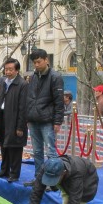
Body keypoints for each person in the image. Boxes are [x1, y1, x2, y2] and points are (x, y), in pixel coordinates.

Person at [26, 48, 64, 184]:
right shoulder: (33, 76)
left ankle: (53, 181)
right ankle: (39, 179)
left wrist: (57, 121)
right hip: (33, 119)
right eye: (34, 63)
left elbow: (59, 101)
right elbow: (29, 98)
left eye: (39, 62)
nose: (36, 65)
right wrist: (28, 117)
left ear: (46, 60)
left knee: (51, 152)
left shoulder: (55, 77)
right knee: (37, 152)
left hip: (47, 120)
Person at [0, 58, 28, 182]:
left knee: (15, 148)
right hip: (3, 117)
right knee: (4, 145)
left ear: (17, 70)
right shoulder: (2, 82)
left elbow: (23, 107)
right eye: (6, 69)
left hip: (15, 119)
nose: (7, 72)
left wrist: (20, 126)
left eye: (10, 69)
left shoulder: (22, 84)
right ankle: (4, 171)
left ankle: (14, 174)